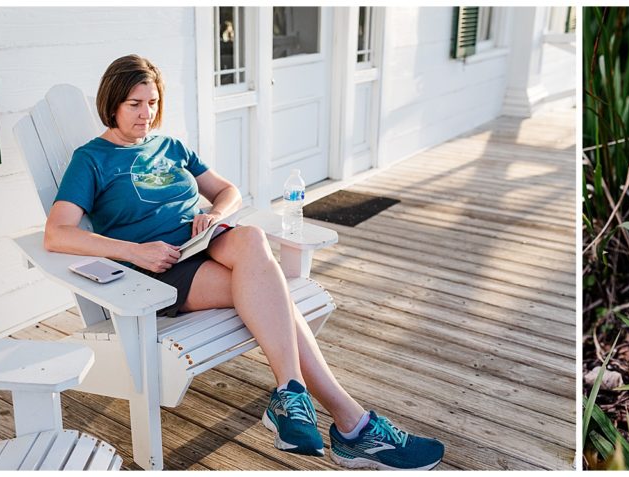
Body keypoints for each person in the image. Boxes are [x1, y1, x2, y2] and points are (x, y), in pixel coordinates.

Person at [44, 54, 444, 470]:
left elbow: (228, 191)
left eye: (153, 103)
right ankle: (352, 426)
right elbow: (58, 233)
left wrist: (214, 215)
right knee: (275, 299)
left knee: (251, 236)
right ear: (112, 104)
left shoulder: (171, 146)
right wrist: (134, 251)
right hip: (160, 267)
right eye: (135, 104)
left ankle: (296, 396)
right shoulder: (91, 159)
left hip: (203, 240)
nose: (147, 114)